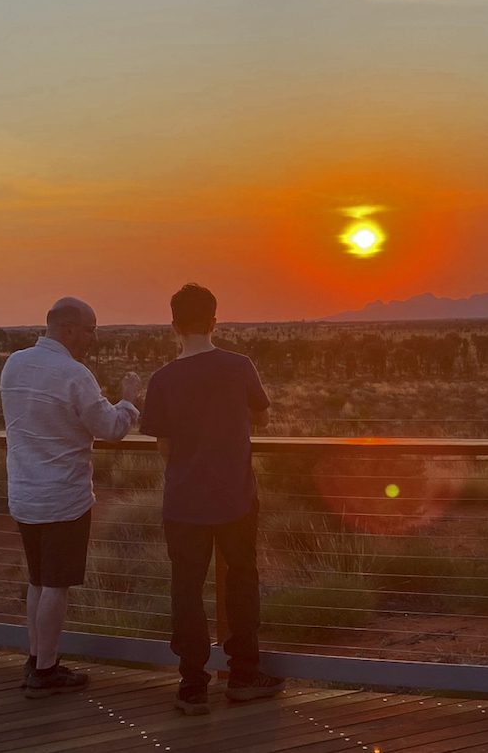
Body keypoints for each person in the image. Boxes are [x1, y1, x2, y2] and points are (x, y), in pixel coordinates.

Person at [140, 283, 283, 716]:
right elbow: (260, 413)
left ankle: (192, 684)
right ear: (214, 320)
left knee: (186, 588)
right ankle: (243, 675)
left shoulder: (162, 379)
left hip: (184, 501)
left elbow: (163, 445)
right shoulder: (239, 367)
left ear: (174, 326)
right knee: (241, 580)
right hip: (236, 496)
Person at [0, 297, 142, 698]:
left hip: (24, 493)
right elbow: (111, 427)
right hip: (63, 497)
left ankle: (35, 656)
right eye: (90, 329)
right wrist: (129, 397)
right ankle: (46, 671)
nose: (94, 338)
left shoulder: (14, 364)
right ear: (67, 330)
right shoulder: (74, 375)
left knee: (38, 580)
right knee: (57, 585)